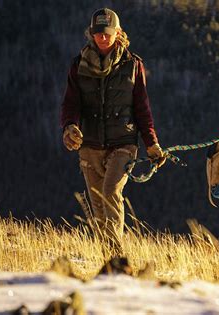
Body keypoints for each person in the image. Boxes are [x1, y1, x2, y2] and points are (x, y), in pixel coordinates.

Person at [60, 8, 165, 252]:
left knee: (110, 192)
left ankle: (117, 257)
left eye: (107, 33)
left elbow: (142, 108)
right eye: (98, 33)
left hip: (123, 143)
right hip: (90, 144)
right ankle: (107, 258)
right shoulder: (79, 65)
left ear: (118, 33)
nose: (103, 38)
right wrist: (69, 126)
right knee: (97, 203)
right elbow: (71, 103)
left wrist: (151, 143)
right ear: (91, 34)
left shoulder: (133, 65)